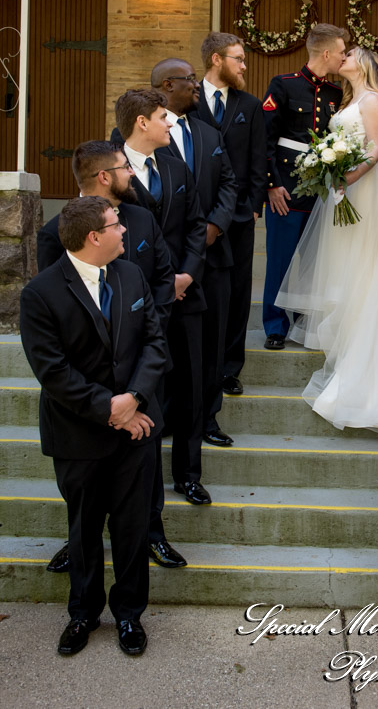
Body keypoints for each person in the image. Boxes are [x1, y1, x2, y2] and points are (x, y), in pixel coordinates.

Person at [20, 196, 167, 656]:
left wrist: (134, 398)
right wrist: (112, 408)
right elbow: (53, 372)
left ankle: (129, 615)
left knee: (132, 528)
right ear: (93, 237)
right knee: (83, 531)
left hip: (137, 430)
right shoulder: (40, 293)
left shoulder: (132, 275)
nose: (124, 230)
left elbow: (155, 343)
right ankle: (82, 614)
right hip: (77, 434)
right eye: (115, 224)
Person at [37, 140, 186, 572]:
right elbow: (59, 309)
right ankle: (81, 542)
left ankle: (152, 534)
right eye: (124, 167)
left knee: (143, 469)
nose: (132, 173)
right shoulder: (55, 232)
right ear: (104, 176)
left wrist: (140, 350)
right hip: (86, 390)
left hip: (141, 369)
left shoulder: (141, 218)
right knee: (86, 483)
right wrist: (108, 404)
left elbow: (161, 279)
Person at [276, 47, 378, 436]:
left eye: (350, 54)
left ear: (364, 66)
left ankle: (367, 350)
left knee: (366, 265)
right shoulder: (347, 99)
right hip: (341, 191)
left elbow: (375, 151)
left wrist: (346, 177)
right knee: (345, 264)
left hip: (361, 192)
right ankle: (347, 336)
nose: (343, 58)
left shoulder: (373, 100)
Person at [114, 89, 211, 507]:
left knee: (190, 389)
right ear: (142, 122)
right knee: (144, 390)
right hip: (133, 304)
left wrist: (186, 274)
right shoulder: (109, 168)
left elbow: (195, 224)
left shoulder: (175, 167)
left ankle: (188, 475)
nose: (170, 122)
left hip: (184, 297)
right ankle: (139, 490)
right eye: (162, 116)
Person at [150, 57, 239, 449]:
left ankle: (208, 418)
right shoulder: (142, 135)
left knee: (212, 345)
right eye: (189, 80)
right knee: (168, 343)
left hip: (213, 257)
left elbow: (229, 184)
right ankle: (169, 416)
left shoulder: (208, 132)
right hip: (166, 261)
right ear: (167, 85)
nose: (197, 86)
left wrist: (214, 226)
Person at [262, 23, 345, 350]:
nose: (343, 58)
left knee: (313, 263)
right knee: (280, 260)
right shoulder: (283, 85)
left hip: (320, 192)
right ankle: (275, 325)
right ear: (325, 53)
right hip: (285, 189)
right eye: (340, 52)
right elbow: (265, 140)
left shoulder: (336, 93)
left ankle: (304, 323)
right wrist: (271, 185)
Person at [193, 33, 267, 395]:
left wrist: (253, 208)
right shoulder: (188, 101)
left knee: (238, 293)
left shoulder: (250, 106)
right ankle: (197, 362)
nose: (244, 66)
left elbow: (258, 159)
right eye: (238, 59)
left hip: (238, 217)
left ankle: (229, 368)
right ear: (216, 60)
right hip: (196, 215)